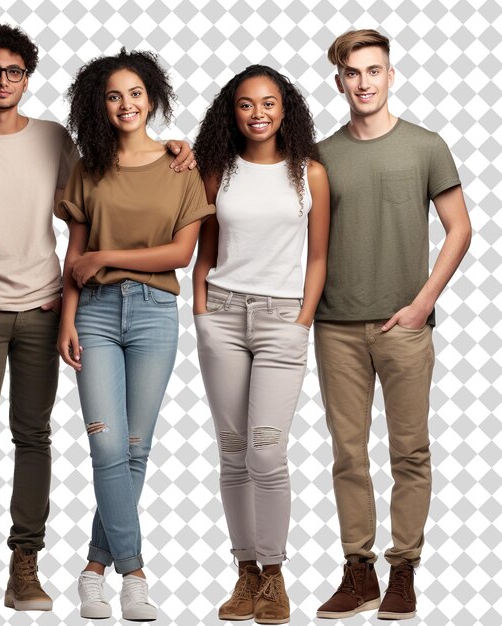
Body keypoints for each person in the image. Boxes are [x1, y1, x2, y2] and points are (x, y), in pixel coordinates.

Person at [0, 25, 194, 620]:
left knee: (35, 438)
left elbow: (106, 203)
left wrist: (178, 146)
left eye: (15, 71)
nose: (3, 81)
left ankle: (30, 568)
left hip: (49, 309)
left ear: (28, 78)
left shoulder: (55, 141)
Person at [313, 29, 471, 621]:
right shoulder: (323, 154)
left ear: (390, 75)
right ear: (339, 81)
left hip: (405, 325)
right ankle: (360, 571)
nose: (363, 83)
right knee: (347, 454)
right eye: (352, 74)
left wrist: (424, 302)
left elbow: (460, 227)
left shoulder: (426, 146)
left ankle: (404, 569)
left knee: (410, 452)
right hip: (335, 327)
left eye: (372, 71)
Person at [56, 48, 214, 621]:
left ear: (153, 98)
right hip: (94, 314)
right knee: (105, 444)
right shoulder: (88, 166)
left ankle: (94, 568)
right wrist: (68, 319)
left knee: (134, 449)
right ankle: (135, 572)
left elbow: (181, 251)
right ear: (99, 104)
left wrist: (107, 254)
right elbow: (73, 259)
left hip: (154, 312)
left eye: (136, 93)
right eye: (113, 95)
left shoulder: (181, 165)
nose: (126, 104)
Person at [192, 65, 330, 624]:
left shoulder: (309, 174)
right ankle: (244, 572)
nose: (258, 114)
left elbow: (318, 256)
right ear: (233, 111)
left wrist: (301, 318)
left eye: (268, 103)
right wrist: (200, 308)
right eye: (246, 104)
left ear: (285, 109)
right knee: (232, 450)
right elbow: (206, 248)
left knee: (266, 449)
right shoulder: (216, 171)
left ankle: (274, 575)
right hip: (220, 315)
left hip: (281, 322)